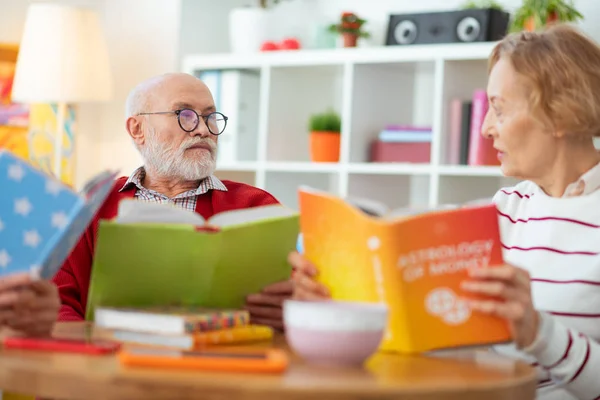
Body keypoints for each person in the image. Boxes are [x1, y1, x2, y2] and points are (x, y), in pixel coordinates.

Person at [291, 24, 600, 400]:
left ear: (562, 114)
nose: (486, 129)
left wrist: (539, 332)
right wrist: (336, 293)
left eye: (499, 110)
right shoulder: (500, 213)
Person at [52, 72, 292, 329]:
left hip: (222, 360)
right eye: (184, 115)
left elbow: (291, 298)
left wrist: (291, 311)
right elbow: (56, 306)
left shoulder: (256, 207)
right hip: (112, 359)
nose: (203, 129)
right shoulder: (90, 205)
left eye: (211, 117)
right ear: (137, 129)